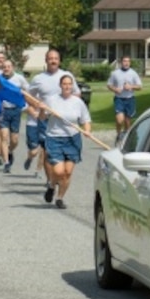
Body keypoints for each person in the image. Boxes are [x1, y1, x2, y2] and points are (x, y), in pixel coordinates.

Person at [27, 72, 90, 209]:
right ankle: (51, 185)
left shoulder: (78, 102)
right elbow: (42, 118)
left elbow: (86, 119)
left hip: (73, 139)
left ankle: (60, 198)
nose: (67, 86)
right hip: (55, 138)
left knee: (68, 172)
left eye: (69, 84)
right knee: (59, 171)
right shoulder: (52, 100)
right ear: (60, 86)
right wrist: (43, 110)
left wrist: (87, 130)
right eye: (64, 84)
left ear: (72, 86)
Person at [27, 48, 65, 192]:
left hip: (63, 120)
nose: (53, 61)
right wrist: (36, 106)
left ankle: (58, 176)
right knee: (48, 151)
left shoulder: (66, 76)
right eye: (50, 58)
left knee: (62, 152)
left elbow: (76, 95)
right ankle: (50, 181)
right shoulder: (38, 79)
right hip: (46, 119)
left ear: (59, 60)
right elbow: (28, 96)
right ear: (46, 60)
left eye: (56, 58)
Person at [107, 55, 143, 137]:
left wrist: (131, 86)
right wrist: (115, 89)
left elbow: (140, 86)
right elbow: (109, 85)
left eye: (128, 61)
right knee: (119, 120)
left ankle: (126, 137)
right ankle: (119, 135)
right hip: (119, 99)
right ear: (121, 62)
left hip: (130, 99)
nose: (126, 63)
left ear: (130, 63)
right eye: (124, 61)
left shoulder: (133, 73)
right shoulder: (115, 73)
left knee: (127, 120)